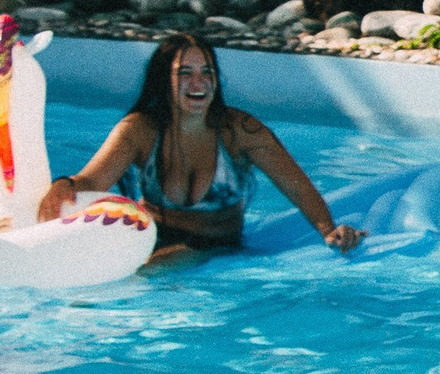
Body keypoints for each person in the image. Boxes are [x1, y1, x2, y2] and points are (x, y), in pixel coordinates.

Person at [38, 33, 364, 260]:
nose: (199, 84)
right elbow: (93, 181)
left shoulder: (241, 132)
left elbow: (297, 186)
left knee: (146, 275)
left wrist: (328, 229)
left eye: (207, 73)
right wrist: (63, 186)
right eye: (185, 74)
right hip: (145, 235)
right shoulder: (140, 129)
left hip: (212, 246)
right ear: (163, 80)